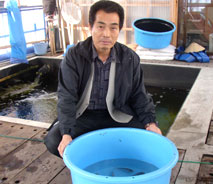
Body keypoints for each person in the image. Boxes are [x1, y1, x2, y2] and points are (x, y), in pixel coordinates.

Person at [44, 0, 162, 158]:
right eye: (100, 26)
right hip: (84, 116)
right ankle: (90, 161)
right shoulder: (74, 56)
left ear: (118, 30)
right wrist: (67, 133)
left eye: (113, 27)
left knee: (149, 137)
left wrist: (150, 123)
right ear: (90, 27)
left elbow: (139, 95)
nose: (106, 33)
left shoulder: (129, 58)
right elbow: (67, 97)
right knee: (54, 140)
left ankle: (110, 157)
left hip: (117, 114)